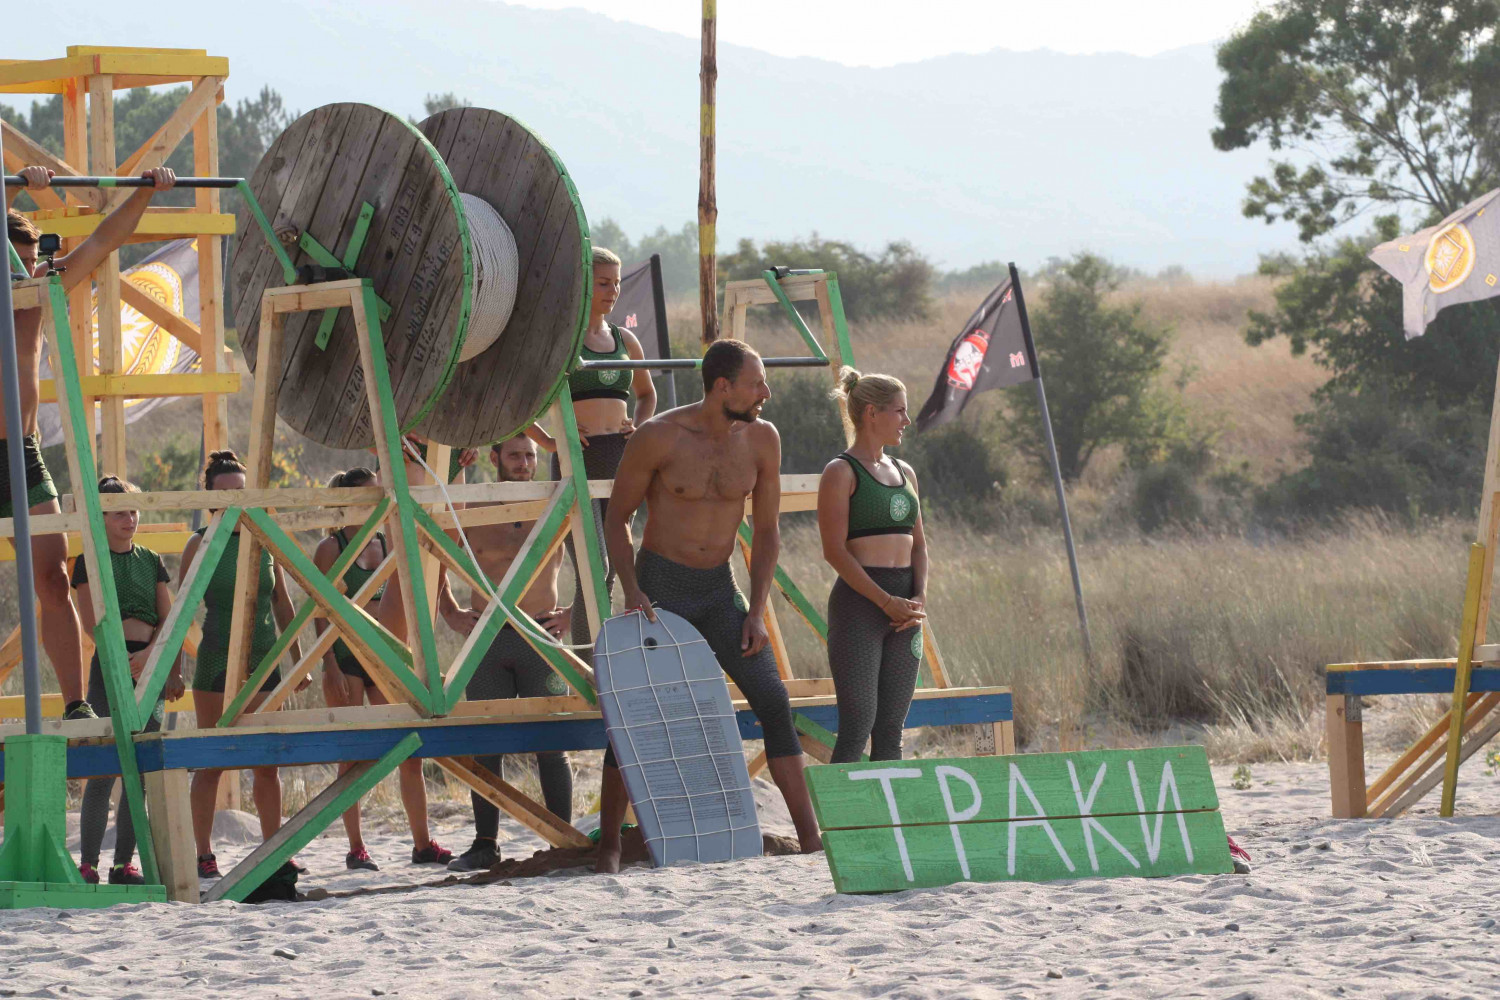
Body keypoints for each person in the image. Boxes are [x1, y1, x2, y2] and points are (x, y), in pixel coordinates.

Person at [594, 339, 820, 873]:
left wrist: (757, 608)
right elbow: (617, 519)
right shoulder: (658, 437)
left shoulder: (763, 439)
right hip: (659, 588)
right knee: (637, 714)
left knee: (772, 697)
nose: (765, 392)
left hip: (721, 590)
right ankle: (607, 846)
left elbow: (766, 532)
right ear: (723, 387)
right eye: (756, 382)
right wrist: (631, 588)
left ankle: (810, 841)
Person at [6, 164, 178, 719]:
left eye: (32, 262)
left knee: (55, 579)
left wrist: (146, 191)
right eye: (18, 263)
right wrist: (14, 185)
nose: (28, 272)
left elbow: (105, 239)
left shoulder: (39, 291)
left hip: (22, 456)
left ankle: (76, 703)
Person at [439, 435, 573, 873]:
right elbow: (434, 552)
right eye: (515, 455)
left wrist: (573, 613)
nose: (524, 463)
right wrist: (450, 611)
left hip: (541, 634)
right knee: (486, 743)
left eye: (531, 456)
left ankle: (563, 839)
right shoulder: (474, 507)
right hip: (488, 637)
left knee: (553, 741)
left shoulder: (552, 503)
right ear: (494, 458)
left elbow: (600, 551)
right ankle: (484, 843)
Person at [315, 468, 450, 869]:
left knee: (410, 751)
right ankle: (356, 848)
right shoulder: (331, 546)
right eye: (366, 494)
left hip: (389, 652)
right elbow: (320, 611)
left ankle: (422, 844)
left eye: (377, 492)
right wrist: (327, 665)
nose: (375, 499)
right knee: (353, 754)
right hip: (345, 654)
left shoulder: (383, 537)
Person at [180, 450, 304, 879]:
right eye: (226, 491)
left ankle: (276, 850)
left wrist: (299, 661)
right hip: (215, 658)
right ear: (211, 497)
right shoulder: (200, 542)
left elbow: (282, 601)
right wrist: (174, 669)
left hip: (265, 655)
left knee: (267, 760)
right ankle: (202, 853)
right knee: (212, 759)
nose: (235, 498)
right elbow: (181, 610)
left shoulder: (264, 534)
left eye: (241, 490)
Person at [525, 247, 656, 650]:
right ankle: (589, 660)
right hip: (576, 460)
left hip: (618, 458)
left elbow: (646, 394)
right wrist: (551, 440)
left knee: (613, 568)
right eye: (603, 282)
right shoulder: (560, 341)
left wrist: (642, 429)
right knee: (591, 565)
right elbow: (519, 403)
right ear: (583, 285)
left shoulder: (625, 339)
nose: (612, 290)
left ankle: (595, 657)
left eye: (616, 283)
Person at [71, 476, 185, 885]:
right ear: (100, 518)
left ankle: (123, 864)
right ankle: (87, 864)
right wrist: (124, 660)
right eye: (120, 511)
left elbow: (167, 617)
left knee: (137, 769)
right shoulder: (89, 560)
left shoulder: (152, 559)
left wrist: (160, 662)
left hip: (149, 664)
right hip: (110, 664)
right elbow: (90, 621)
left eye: (134, 510)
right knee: (104, 767)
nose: (130, 518)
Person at [818, 368, 927, 764]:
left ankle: (887, 825)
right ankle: (840, 827)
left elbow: (919, 546)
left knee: (891, 730)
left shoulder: (906, 472)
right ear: (870, 414)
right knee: (857, 725)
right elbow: (834, 551)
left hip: (905, 611)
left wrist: (918, 597)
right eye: (899, 411)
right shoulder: (840, 472)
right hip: (860, 607)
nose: (906, 420)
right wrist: (885, 602)